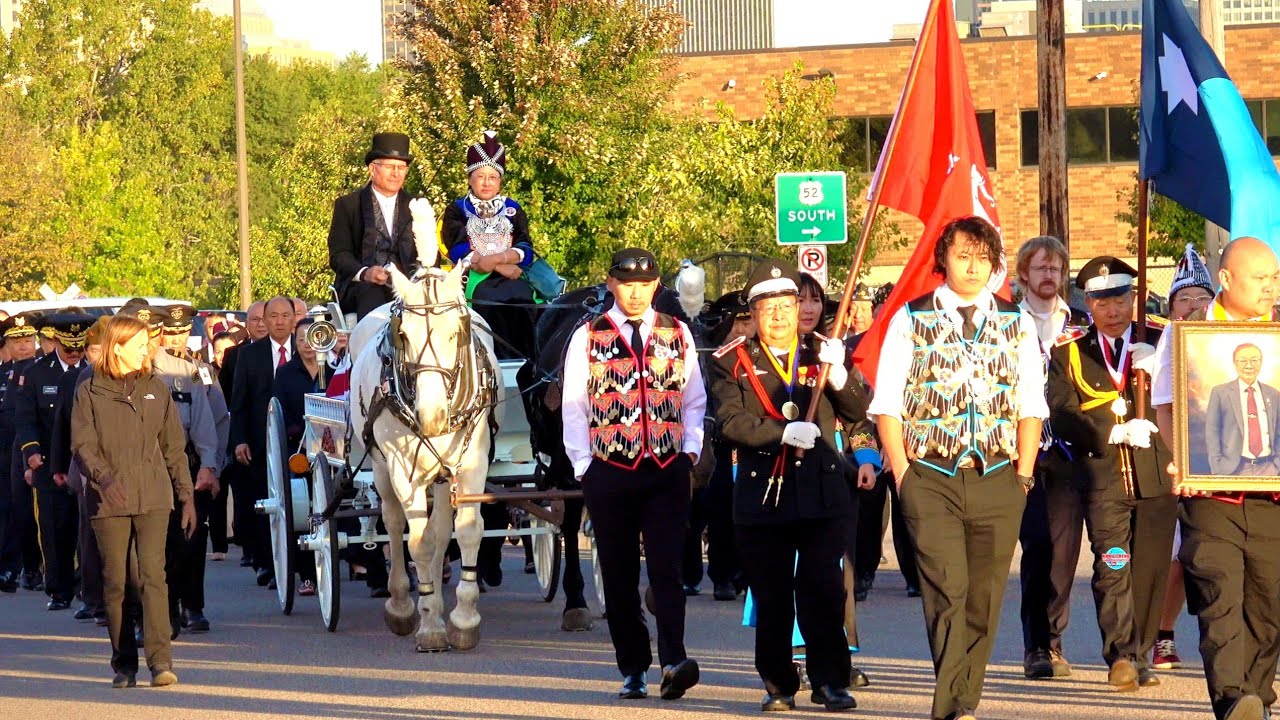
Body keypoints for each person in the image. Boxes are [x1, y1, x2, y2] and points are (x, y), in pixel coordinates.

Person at [869, 216, 1046, 720]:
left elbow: (1030, 405)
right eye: (962, 255)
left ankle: (964, 698)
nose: (972, 266)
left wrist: (1024, 476)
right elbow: (888, 405)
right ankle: (951, 707)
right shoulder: (911, 318)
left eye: (982, 257)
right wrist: (903, 476)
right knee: (948, 589)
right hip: (931, 477)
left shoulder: (1017, 323)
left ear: (994, 264)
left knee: (983, 599)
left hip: (999, 477)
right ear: (943, 259)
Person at [713, 259, 869, 712]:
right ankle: (779, 683)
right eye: (769, 307)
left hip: (821, 491)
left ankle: (830, 681)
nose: (780, 316)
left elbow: (859, 410)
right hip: (762, 495)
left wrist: (840, 376)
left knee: (823, 590)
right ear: (754, 312)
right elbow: (729, 421)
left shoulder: (823, 351)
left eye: (787, 305)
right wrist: (778, 432)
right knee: (774, 594)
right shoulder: (732, 361)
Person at [562, 248, 705, 702]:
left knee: (668, 568)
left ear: (657, 286)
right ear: (611, 285)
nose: (636, 293)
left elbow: (694, 397)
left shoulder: (676, 331)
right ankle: (633, 668)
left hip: (666, 468)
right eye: (627, 284)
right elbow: (574, 404)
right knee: (619, 574)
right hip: (610, 470)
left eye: (645, 285)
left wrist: (691, 449)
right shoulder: (587, 336)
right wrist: (584, 465)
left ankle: (674, 661)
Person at [1154, 236, 1280, 720]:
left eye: (1274, 278)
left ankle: (1257, 698)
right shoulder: (1188, 332)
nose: (1270, 288)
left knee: (1268, 610)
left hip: (1271, 499)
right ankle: (1232, 699)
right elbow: (1168, 406)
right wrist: (1181, 462)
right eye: (1259, 278)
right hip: (1209, 495)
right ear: (1225, 279)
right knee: (1219, 595)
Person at [1046, 256, 1177, 690]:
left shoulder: (1165, 343)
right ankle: (1121, 654)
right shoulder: (1069, 353)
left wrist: (1161, 370)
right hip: (1104, 477)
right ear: (1089, 303)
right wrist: (1110, 428)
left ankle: (1142, 653)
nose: (1112, 309)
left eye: (1119, 298)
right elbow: (1062, 413)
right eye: (1101, 300)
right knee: (1112, 563)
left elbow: (1196, 397)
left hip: (1158, 475)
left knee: (1152, 567)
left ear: (1133, 298)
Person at [71, 314, 195, 688]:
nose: (147, 349)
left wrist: (186, 496)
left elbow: (174, 447)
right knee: (117, 582)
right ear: (118, 346)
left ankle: (161, 662)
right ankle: (124, 664)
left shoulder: (155, 386)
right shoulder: (89, 390)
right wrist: (104, 479)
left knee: (152, 577)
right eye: (140, 343)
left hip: (154, 496)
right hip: (109, 500)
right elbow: (82, 445)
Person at [1013, 235, 1091, 680]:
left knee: (1060, 551)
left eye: (1056, 269)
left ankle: (1050, 643)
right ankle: (1034, 643)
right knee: (1035, 546)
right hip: (1014, 452)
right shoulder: (1003, 321)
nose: (1048, 276)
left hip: (1064, 456)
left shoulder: (1081, 324)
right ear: (1024, 273)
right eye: (1040, 268)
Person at [1153, 244, 1214, 671]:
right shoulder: (1170, 342)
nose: (1192, 305)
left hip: (1238, 463)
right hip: (1183, 462)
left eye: (1200, 297)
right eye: (1183, 298)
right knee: (1179, 555)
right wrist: (1184, 461)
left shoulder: (1231, 336)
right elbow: (1164, 407)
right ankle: (1163, 632)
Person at [14, 312, 94, 611]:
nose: (74, 355)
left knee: (85, 528)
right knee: (54, 526)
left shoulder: (94, 369)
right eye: (68, 348)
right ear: (57, 342)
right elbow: (26, 418)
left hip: (85, 461)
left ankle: (86, 586)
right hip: (49, 460)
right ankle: (59, 588)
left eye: (79, 348)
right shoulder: (37, 373)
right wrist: (31, 452)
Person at [151, 304, 222, 634]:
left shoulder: (197, 371)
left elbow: (217, 417)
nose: (177, 337)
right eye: (171, 331)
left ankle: (192, 604)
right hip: (151, 467)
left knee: (192, 539)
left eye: (183, 331)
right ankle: (164, 605)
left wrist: (213, 466)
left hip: (190, 464)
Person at [443, 130, 537, 361]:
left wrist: (499, 260)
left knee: (523, 298)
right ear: (469, 178)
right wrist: (496, 266)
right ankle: (488, 362)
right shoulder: (457, 209)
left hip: (513, 274)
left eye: (492, 177)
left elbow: (525, 247)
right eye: (480, 176)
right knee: (489, 301)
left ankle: (527, 364)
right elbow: (457, 248)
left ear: (500, 181)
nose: (486, 183)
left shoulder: (513, 208)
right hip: (473, 275)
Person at [229, 296, 297, 588]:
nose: (279, 321)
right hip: (260, 442)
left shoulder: (307, 348)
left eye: (285, 316)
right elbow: (239, 401)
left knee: (298, 502)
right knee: (264, 503)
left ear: (294, 319)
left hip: (298, 440)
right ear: (264, 321)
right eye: (273, 316)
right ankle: (267, 564)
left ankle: (297, 562)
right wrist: (239, 440)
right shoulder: (250, 355)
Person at [327, 132, 426, 318]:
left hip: (411, 286)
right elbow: (339, 254)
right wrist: (365, 273)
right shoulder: (348, 205)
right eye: (390, 166)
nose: (396, 173)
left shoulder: (417, 205)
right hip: (363, 288)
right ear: (373, 169)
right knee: (371, 294)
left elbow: (429, 253)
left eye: (401, 167)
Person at [49, 317, 108, 624]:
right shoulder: (79, 378)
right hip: (86, 467)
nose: (98, 356)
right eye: (94, 350)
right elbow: (63, 423)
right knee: (88, 536)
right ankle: (93, 598)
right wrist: (59, 466)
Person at [272, 316, 331, 597]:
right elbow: (279, 414)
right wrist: (302, 432)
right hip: (301, 448)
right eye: (301, 339)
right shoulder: (285, 373)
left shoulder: (334, 369)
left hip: (335, 445)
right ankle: (307, 575)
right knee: (304, 510)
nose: (308, 344)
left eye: (314, 337)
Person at [0, 312, 41, 593]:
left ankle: (35, 568)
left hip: (29, 449)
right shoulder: (5, 372)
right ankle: (17, 567)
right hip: (5, 451)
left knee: (30, 513)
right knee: (11, 510)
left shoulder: (41, 370)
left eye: (28, 339)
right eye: (17, 341)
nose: (24, 346)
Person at [1205, 344, 1280, 476]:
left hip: (1269, 468)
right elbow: (1212, 433)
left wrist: (1277, 464)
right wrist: (1217, 469)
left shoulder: (1273, 393)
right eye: (1243, 360)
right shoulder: (1220, 392)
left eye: (1254, 360)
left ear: (1261, 362)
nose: (1249, 365)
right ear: (1235, 363)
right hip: (1234, 469)